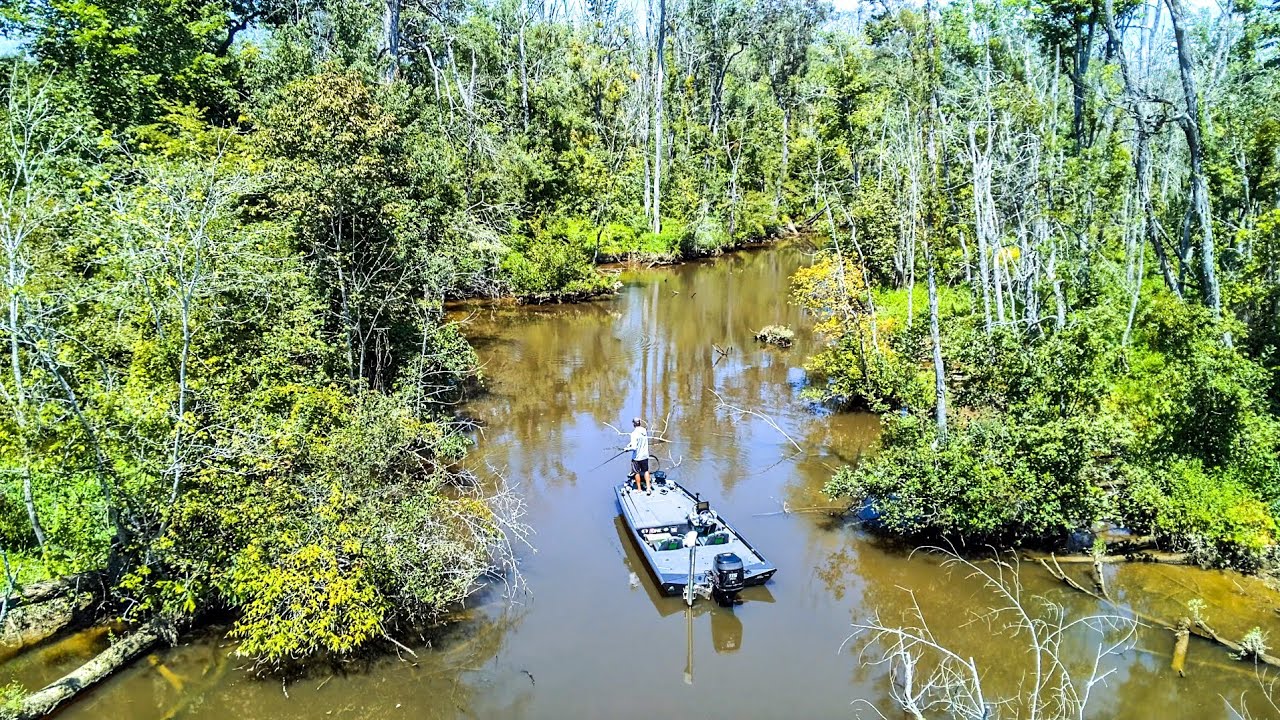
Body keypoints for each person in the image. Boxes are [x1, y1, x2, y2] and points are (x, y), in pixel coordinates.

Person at [624, 417, 652, 494]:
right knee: (646, 471)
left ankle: (639, 489)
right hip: (645, 455)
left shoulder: (633, 434)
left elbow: (634, 447)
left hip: (637, 457)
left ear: (633, 424)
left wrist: (627, 449)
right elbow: (639, 440)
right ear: (640, 422)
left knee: (636, 473)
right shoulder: (644, 431)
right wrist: (630, 444)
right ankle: (648, 488)